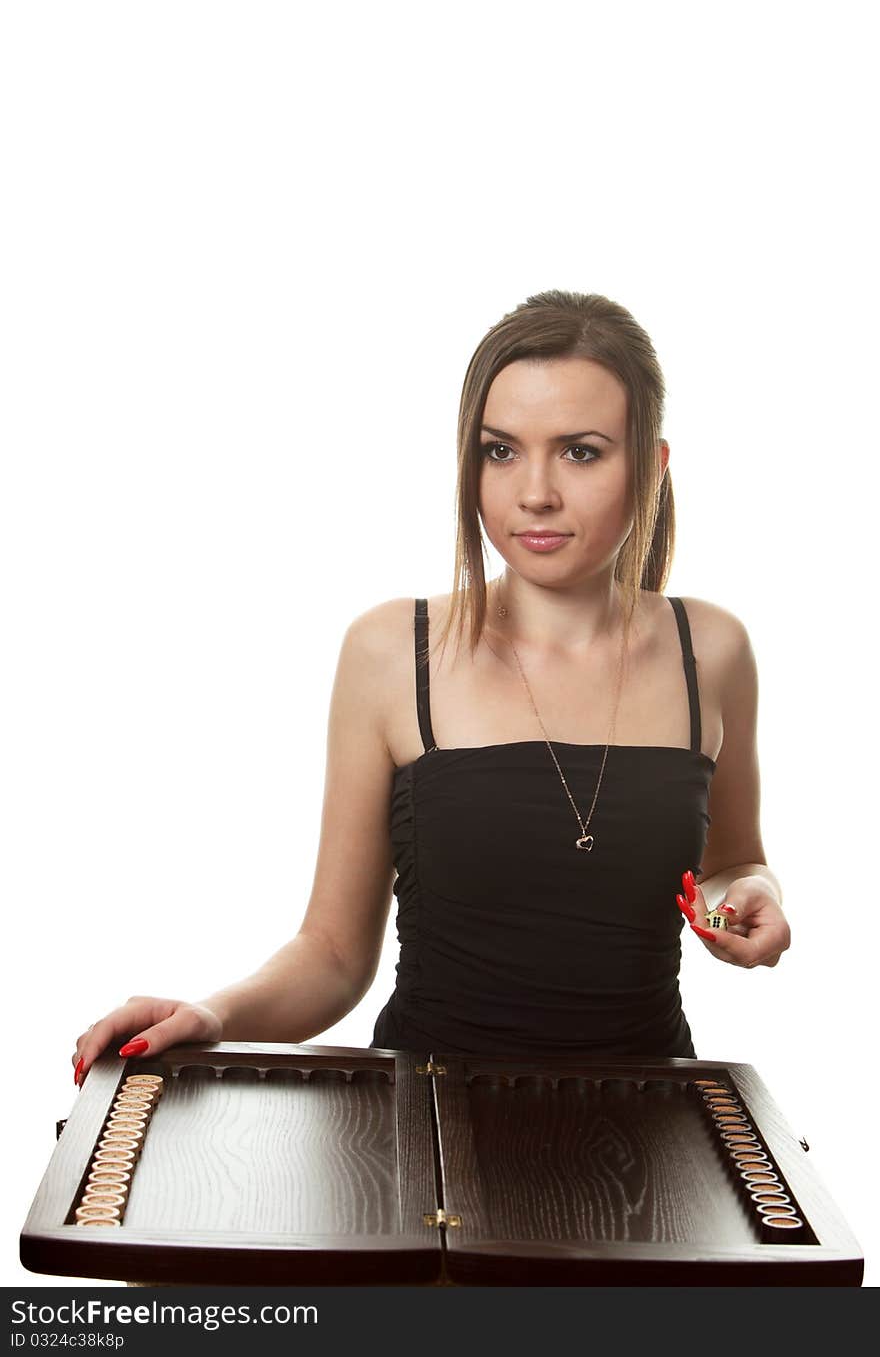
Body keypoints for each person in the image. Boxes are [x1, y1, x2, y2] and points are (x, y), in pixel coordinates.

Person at [71, 289, 791, 1085]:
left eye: (581, 451)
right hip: (424, 1124)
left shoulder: (712, 650)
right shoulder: (391, 651)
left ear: (650, 465)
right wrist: (213, 1016)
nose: (535, 492)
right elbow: (335, 954)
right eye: (501, 450)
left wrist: (748, 894)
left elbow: (733, 860)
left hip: (650, 1129)